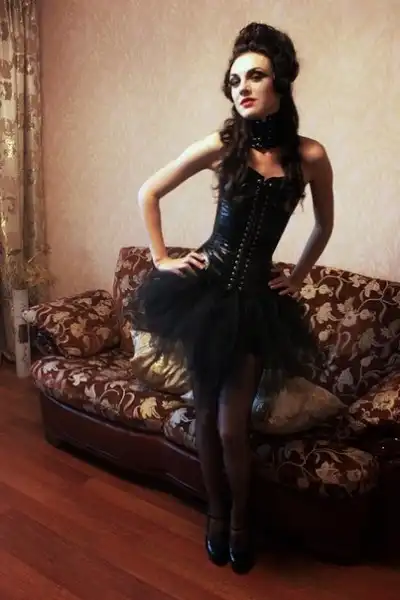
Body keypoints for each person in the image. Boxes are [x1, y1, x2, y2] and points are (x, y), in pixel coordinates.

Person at [128, 22, 334, 574]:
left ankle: (242, 520)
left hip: (256, 305)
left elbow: (323, 224)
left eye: (255, 76)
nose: (242, 87)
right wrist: (160, 258)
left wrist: (299, 276)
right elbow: (149, 191)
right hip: (206, 294)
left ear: (280, 81)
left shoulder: (310, 156)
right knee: (204, 418)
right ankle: (216, 514)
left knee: (229, 426)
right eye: (235, 79)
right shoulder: (223, 145)